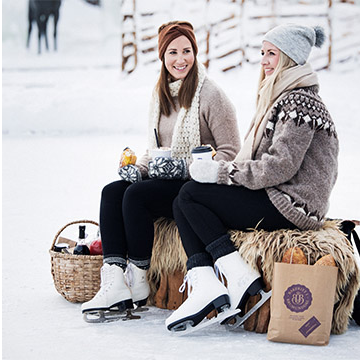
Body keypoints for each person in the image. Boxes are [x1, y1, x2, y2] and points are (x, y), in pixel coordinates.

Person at [165, 24, 337, 332]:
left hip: (290, 204)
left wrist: (224, 172)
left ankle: (238, 277)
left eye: (272, 54)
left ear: (289, 58)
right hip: (279, 196)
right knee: (183, 201)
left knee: (190, 195)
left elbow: (280, 166)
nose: (264, 61)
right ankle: (208, 281)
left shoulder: (299, 101)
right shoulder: (283, 96)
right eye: (262, 53)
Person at [82, 20, 241, 321]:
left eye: (187, 51)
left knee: (137, 196)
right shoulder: (161, 96)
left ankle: (139, 277)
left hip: (197, 188)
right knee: (114, 191)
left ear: (195, 52)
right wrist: (138, 168)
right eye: (172, 52)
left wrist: (186, 166)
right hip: (166, 180)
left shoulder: (211, 96)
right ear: (162, 57)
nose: (180, 59)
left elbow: (232, 152)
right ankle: (115, 279)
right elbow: (155, 148)